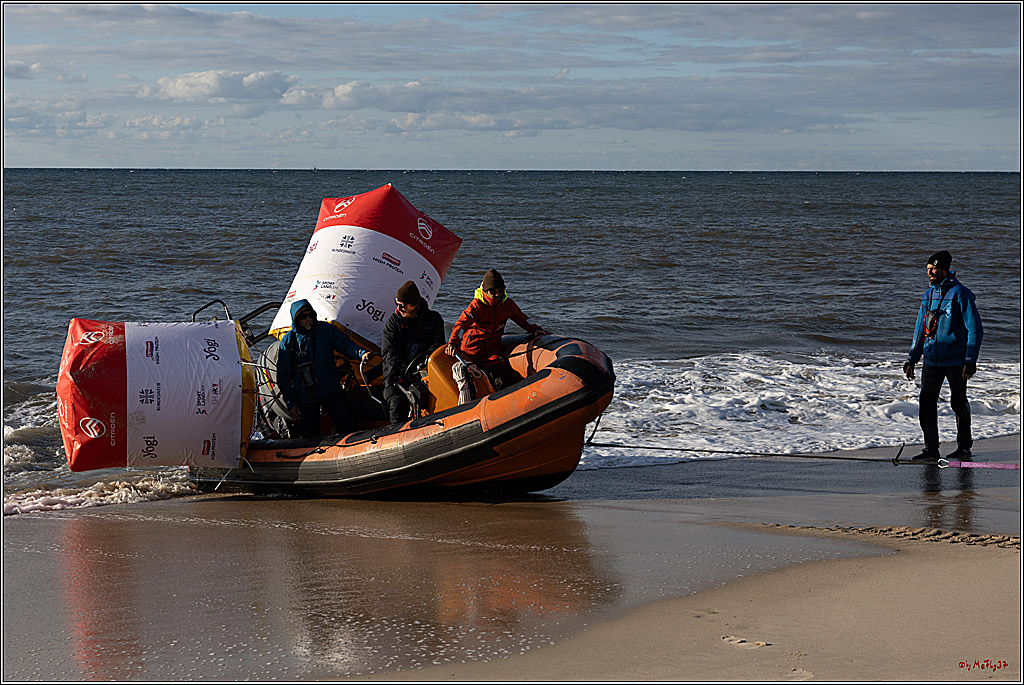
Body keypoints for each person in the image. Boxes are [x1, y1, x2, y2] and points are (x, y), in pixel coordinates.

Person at [903, 250, 983, 461]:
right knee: (926, 402)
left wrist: (970, 360)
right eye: (928, 269)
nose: (930, 272)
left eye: (934, 268)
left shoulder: (960, 294)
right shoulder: (927, 296)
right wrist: (912, 358)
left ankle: (964, 447)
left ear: (945, 270)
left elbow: (975, 329)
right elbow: (920, 330)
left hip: (956, 360)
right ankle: (931, 449)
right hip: (931, 360)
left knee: (958, 402)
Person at [277, 299, 372, 438]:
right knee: (309, 433)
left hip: (330, 389)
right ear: (296, 319)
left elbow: (345, 345)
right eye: (304, 317)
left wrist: (361, 353)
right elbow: (283, 376)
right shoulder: (288, 342)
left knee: (346, 425)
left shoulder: (326, 330)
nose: (308, 319)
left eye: (310, 315)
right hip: (305, 396)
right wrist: (290, 402)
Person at [444, 268, 548, 390]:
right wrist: (453, 342)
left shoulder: (507, 304)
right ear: (485, 291)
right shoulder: (476, 306)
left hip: (493, 350)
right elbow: (461, 325)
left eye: (500, 290)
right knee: (472, 385)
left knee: (501, 379)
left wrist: (535, 329)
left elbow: (522, 318)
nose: (498, 294)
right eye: (493, 291)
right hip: (472, 351)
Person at [381, 281, 446, 424]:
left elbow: (438, 346)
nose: (399, 308)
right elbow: (390, 354)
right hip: (399, 373)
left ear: (414, 305)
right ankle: (397, 433)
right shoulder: (393, 324)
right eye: (396, 303)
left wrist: (425, 364)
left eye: (402, 305)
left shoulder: (433, 320)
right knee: (396, 403)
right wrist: (394, 379)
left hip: (425, 372)